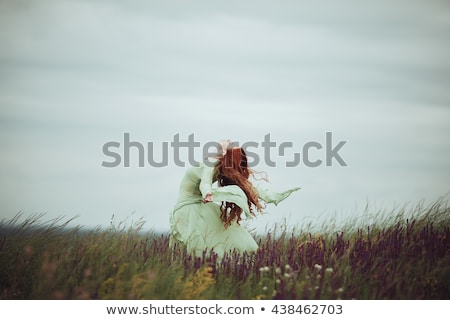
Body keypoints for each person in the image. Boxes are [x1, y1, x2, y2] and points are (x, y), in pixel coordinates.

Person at [169, 140, 300, 258]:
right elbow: (205, 181)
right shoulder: (210, 163)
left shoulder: (220, 166)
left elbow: (244, 186)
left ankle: (218, 268)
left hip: (199, 204)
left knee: (218, 240)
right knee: (198, 245)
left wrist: (271, 196)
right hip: (187, 208)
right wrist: (207, 192)